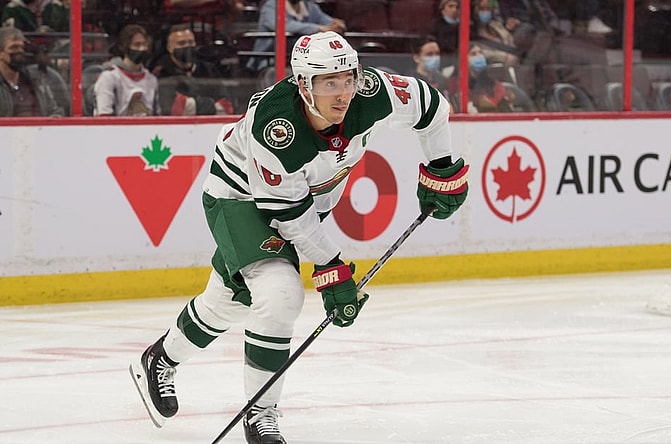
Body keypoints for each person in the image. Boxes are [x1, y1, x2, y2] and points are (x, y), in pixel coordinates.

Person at [129, 31, 469, 444]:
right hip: (240, 197)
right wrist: (332, 269)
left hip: (303, 199)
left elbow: (432, 107)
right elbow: (289, 216)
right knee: (280, 293)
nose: (343, 93)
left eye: (348, 78)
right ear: (303, 84)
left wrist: (442, 168)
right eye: (329, 83)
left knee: (231, 300)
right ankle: (262, 414)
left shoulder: (372, 92)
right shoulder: (276, 128)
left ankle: (161, 357)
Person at [0, 26, 64, 116]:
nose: (20, 51)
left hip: (41, 130)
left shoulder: (34, 78)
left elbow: (54, 109)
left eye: (21, 47)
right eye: (14, 47)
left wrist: (55, 118)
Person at [151, 23, 234, 115]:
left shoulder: (208, 69)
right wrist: (211, 104)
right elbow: (173, 109)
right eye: (181, 43)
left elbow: (227, 107)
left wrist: (189, 105)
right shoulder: (162, 71)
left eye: (190, 42)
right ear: (169, 47)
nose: (187, 46)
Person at [247, 0, 346, 72]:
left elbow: (326, 21)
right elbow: (282, 25)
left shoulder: (309, 6)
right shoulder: (271, 6)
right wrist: (318, 29)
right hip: (269, 59)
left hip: (302, 60)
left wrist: (336, 24)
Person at [92, 24, 160, 116]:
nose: (142, 49)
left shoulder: (151, 79)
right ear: (124, 47)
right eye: (137, 45)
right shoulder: (109, 77)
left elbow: (157, 115)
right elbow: (104, 115)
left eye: (144, 44)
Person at [410, 35, 456, 110]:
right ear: (417, 58)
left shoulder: (441, 79)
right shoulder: (410, 81)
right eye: (429, 54)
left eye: (437, 54)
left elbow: (449, 107)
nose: (435, 57)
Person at [467, 43, 513, 113]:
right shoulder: (454, 83)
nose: (479, 56)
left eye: (480, 52)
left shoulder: (494, 84)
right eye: (473, 54)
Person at [471, 0, 519, 66]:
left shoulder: (497, 26)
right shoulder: (470, 34)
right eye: (481, 9)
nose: (485, 12)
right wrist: (504, 57)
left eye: (488, 9)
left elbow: (510, 42)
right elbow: (476, 54)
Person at [429, 0, 460, 68]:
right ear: (442, 10)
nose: (454, 10)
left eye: (457, 7)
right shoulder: (435, 27)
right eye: (450, 6)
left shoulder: (466, 26)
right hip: (444, 62)